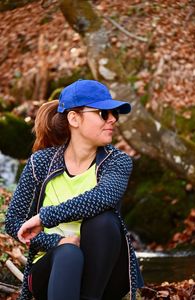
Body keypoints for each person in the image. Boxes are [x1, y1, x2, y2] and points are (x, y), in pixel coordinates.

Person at [5, 79, 143, 300]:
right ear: (73, 118)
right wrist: (57, 242)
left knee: (105, 221)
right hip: (51, 269)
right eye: (103, 113)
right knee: (68, 253)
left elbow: (103, 197)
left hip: (104, 275)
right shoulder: (41, 163)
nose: (113, 119)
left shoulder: (117, 161)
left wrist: (44, 217)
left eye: (115, 113)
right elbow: (14, 222)